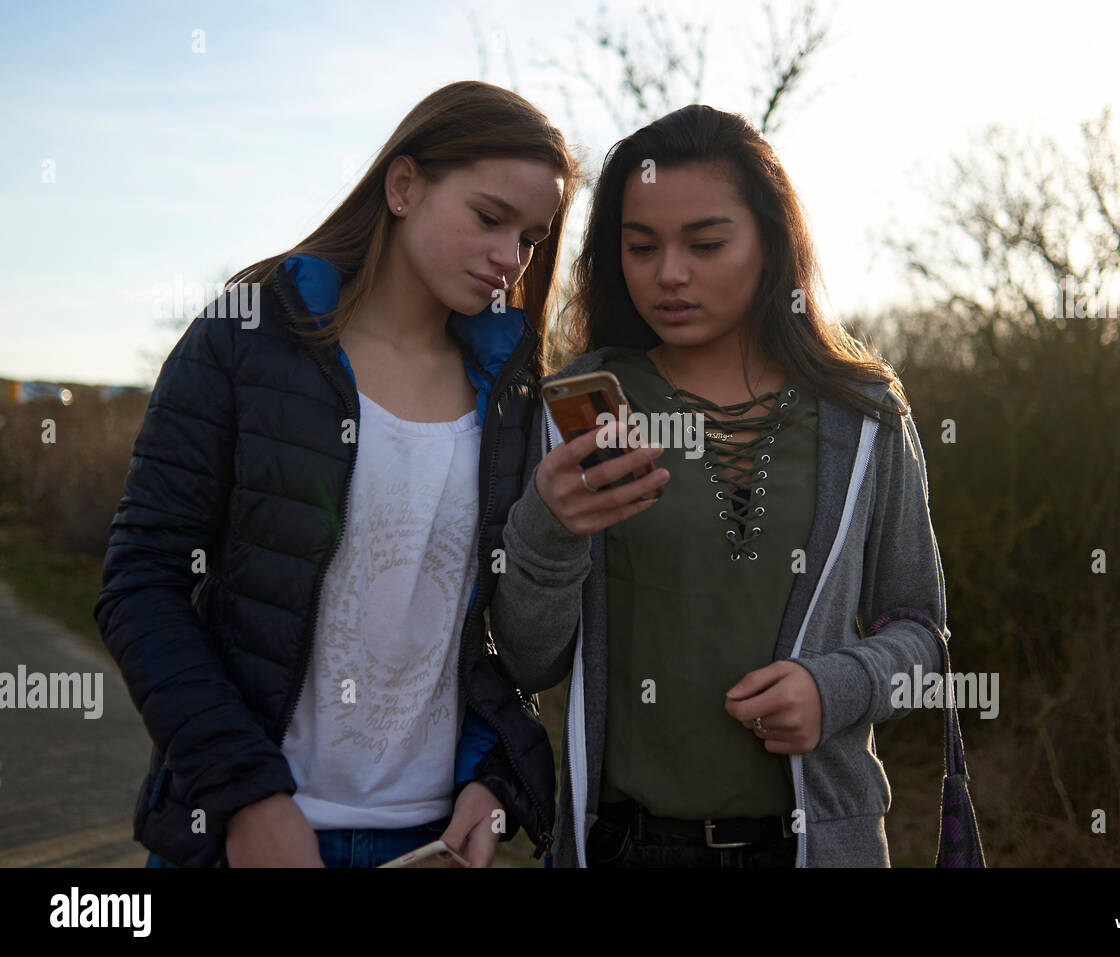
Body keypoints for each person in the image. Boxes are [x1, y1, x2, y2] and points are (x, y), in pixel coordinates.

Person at [94, 81, 579, 868]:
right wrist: (246, 793)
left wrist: (492, 776)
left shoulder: (515, 394)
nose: (509, 258)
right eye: (490, 218)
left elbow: (489, 630)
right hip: (247, 833)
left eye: (529, 237)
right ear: (403, 185)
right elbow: (141, 581)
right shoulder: (244, 338)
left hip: (428, 842)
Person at [488, 104, 949, 867]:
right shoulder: (575, 411)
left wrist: (836, 685)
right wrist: (547, 530)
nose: (670, 273)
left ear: (771, 242)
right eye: (641, 246)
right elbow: (529, 661)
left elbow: (922, 636)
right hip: (625, 847)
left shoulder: (864, 415)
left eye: (706, 243)